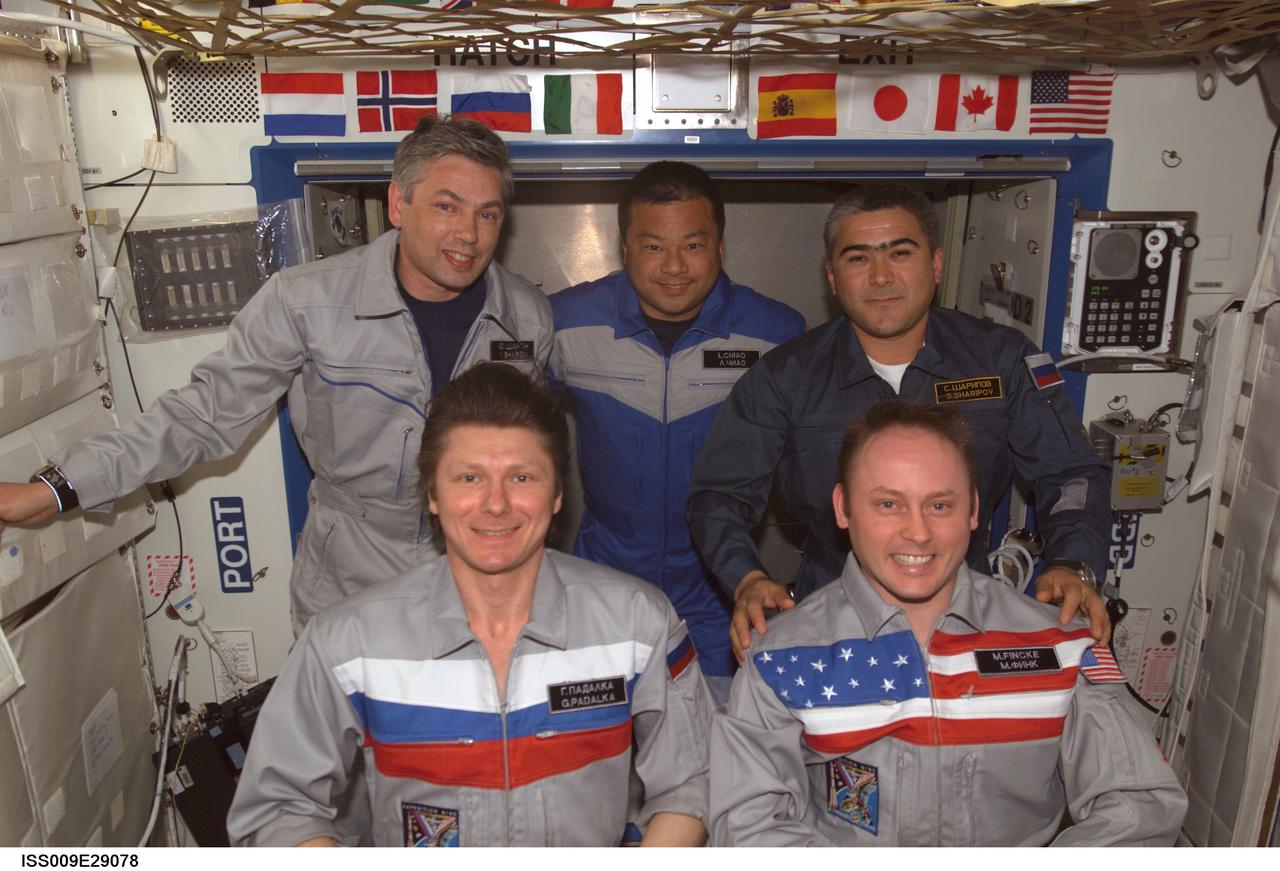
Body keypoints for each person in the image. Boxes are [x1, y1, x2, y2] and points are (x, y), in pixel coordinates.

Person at [0, 115, 553, 632]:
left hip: (486, 573)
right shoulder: (305, 301)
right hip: (350, 576)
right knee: (343, 734)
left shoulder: (526, 315)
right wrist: (58, 488)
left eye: (488, 214)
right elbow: (203, 416)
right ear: (399, 204)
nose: (469, 235)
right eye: (447, 207)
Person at [226, 363, 712, 847]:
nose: (495, 504)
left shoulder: (638, 624)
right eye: (468, 478)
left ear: (558, 494)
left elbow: (694, 780)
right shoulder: (348, 643)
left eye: (522, 477)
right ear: (432, 495)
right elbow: (275, 807)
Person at [709, 401, 1186, 846]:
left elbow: (1141, 804)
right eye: (888, 504)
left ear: (974, 510)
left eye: (940, 505)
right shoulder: (780, 658)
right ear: (843, 508)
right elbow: (750, 824)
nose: (917, 532)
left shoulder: (1063, 644)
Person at [687, 182, 1112, 663]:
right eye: (858, 258)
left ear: (935, 264)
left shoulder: (1002, 360)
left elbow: (1070, 474)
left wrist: (1073, 562)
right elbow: (720, 496)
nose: (881, 278)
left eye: (899, 254)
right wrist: (746, 579)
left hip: (966, 606)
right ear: (831, 275)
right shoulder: (784, 378)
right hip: (832, 611)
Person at [550, 161, 805, 701]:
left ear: (720, 246)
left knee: (714, 765)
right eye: (652, 246)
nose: (673, 267)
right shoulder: (564, 324)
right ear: (624, 248)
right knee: (600, 760)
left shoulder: (775, 334)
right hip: (603, 588)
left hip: (720, 595)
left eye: (692, 245)